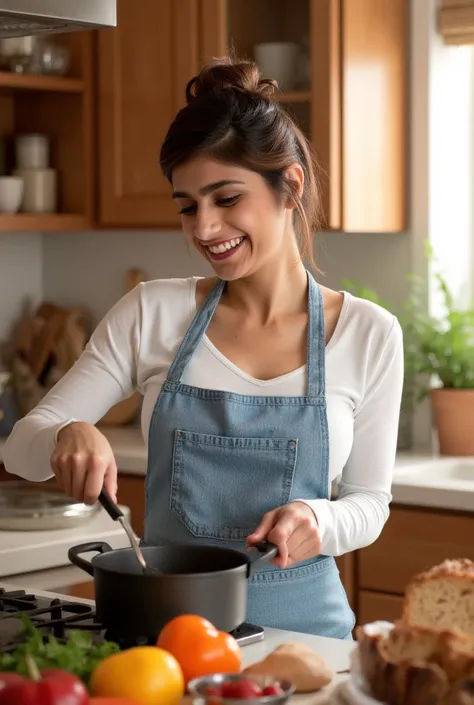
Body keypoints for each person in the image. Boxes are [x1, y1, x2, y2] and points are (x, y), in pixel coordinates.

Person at [3, 57, 404, 639]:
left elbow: (370, 504)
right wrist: (64, 433)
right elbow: (19, 447)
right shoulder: (152, 313)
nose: (205, 229)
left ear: (289, 186)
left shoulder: (368, 333)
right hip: (162, 640)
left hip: (308, 641)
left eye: (226, 198)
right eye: (188, 206)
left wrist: (319, 517)